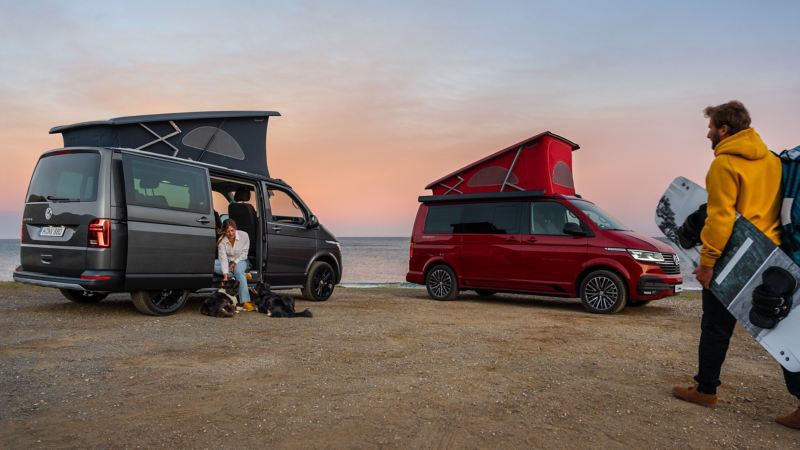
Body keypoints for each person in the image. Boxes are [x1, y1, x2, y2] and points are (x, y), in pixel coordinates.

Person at [671, 100, 800, 429]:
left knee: (715, 326)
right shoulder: (773, 160)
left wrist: (707, 262)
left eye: (711, 127)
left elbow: (720, 219)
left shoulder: (724, 165)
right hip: (772, 258)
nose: (708, 133)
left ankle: (705, 389)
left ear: (724, 129)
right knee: (780, 331)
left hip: (734, 259)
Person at [214, 218, 251, 305]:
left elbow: (244, 254)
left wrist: (235, 263)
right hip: (228, 262)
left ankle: (245, 301)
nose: (230, 233)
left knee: (238, 270)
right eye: (227, 231)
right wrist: (226, 276)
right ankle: (236, 277)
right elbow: (223, 259)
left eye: (232, 230)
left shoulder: (244, 235)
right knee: (213, 265)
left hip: (242, 260)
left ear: (235, 228)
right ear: (224, 231)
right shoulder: (221, 242)